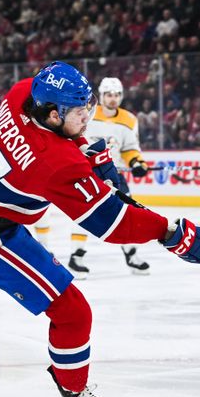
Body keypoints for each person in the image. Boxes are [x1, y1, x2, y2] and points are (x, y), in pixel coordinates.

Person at [0, 62, 200, 397]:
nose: (88, 117)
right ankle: (74, 394)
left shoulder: (23, 93)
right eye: (81, 113)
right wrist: (173, 233)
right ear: (52, 114)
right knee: (73, 313)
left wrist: (84, 151)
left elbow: (52, 142)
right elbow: (112, 224)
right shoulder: (54, 164)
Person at [33, 77, 151, 278]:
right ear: (101, 96)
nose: (112, 99)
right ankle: (77, 256)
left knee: (126, 212)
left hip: (112, 173)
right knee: (86, 211)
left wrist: (137, 163)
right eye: (108, 95)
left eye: (116, 95)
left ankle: (131, 254)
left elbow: (130, 149)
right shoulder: (85, 113)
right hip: (84, 172)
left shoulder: (129, 120)